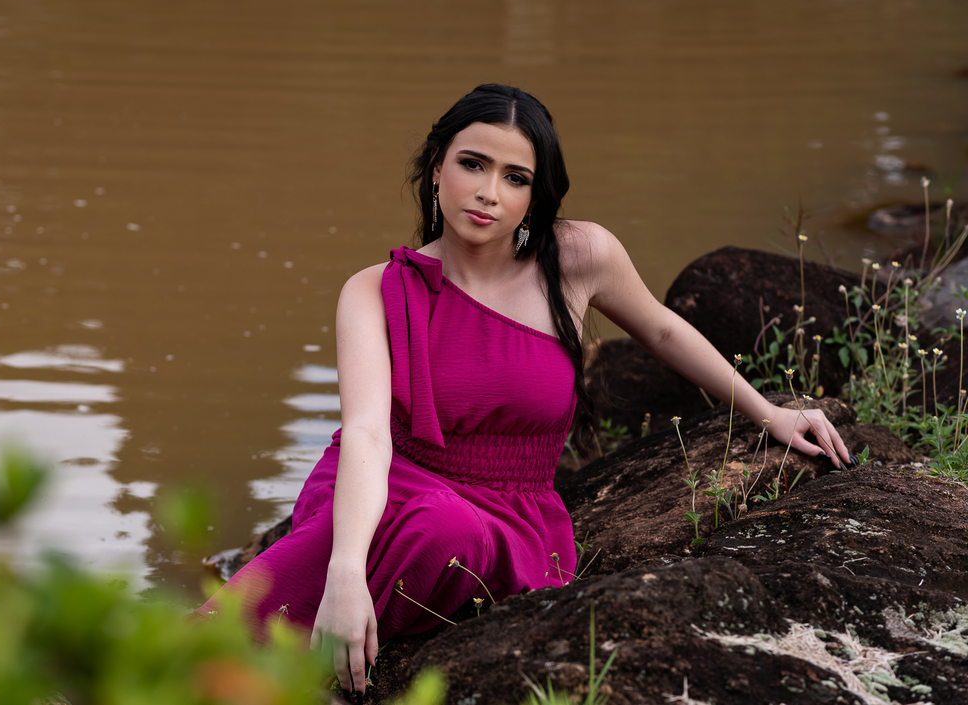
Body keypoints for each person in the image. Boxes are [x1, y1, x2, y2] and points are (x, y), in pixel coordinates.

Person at [199, 83, 851, 694]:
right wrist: (345, 571)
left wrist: (768, 412)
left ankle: (311, 665)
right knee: (213, 639)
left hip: (506, 513)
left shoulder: (578, 257)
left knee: (445, 529)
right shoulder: (375, 290)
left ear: (536, 196)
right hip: (383, 483)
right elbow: (367, 433)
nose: (489, 193)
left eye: (515, 177)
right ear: (436, 166)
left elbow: (661, 329)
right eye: (472, 164)